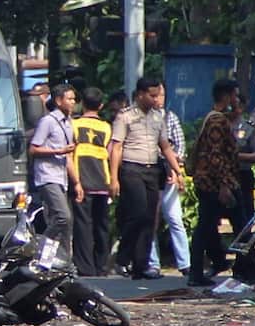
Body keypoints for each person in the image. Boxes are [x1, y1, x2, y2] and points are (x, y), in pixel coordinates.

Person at [110, 76, 186, 279]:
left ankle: (141, 266)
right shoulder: (124, 116)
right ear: (140, 94)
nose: (155, 99)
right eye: (151, 95)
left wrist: (178, 172)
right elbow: (116, 148)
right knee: (137, 213)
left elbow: (166, 147)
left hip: (152, 170)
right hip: (131, 169)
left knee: (150, 219)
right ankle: (122, 258)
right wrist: (113, 178)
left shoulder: (158, 117)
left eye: (157, 95)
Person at [186, 79, 242, 286]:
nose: (237, 100)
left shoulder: (216, 118)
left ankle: (218, 263)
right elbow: (216, 156)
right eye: (234, 96)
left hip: (210, 182)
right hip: (214, 184)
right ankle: (200, 272)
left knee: (208, 227)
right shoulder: (217, 121)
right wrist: (225, 185)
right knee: (230, 224)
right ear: (226, 96)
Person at [29, 83, 80, 255]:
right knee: (63, 217)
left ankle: (63, 261)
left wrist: (77, 183)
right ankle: (39, 248)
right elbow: (34, 149)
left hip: (61, 177)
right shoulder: (48, 121)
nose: (73, 102)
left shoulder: (68, 124)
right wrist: (58, 151)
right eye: (70, 99)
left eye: (74, 99)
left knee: (65, 224)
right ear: (58, 100)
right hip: (47, 176)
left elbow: (68, 157)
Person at [146, 85, 192, 276]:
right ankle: (153, 263)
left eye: (162, 95)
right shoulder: (143, 119)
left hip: (169, 173)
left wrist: (176, 167)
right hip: (150, 172)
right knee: (151, 220)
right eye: (155, 96)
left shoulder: (170, 117)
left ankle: (185, 263)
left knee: (174, 218)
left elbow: (180, 147)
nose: (159, 99)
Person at [70, 88, 113, 276]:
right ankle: (101, 266)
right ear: (101, 106)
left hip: (82, 179)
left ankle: (85, 267)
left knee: (83, 226)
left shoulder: (73, 124)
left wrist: (74, 181)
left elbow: (69, 153)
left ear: (82, 104)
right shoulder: (107, 127)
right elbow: (111, 154)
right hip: (102, 180)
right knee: (102, 226)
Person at [233, 92, 255, 228]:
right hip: (223, 176)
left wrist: (237, 157)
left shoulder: (249, 127)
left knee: (246, 215)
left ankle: (246, 245)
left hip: (242, 174)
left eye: (239, 104)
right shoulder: (220, 124)